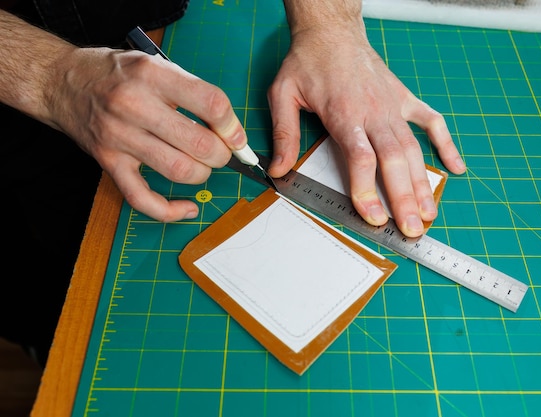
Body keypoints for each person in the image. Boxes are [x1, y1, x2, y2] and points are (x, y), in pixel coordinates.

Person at [0, 0, 466, 368]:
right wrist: (50, 79)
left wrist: (330, 26)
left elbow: (328, 23)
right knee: (50, 286)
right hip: (16, 98)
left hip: (153, 21)